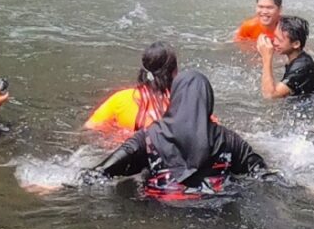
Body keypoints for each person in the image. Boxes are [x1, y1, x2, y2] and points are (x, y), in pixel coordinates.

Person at [95, 73, 269, 199]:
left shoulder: (148, 137)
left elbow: (100, 173)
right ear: (208, 100)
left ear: (175, 98)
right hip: (216, 209)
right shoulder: (228, 139)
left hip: (161, 215)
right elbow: (261, 172)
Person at [85, 43, 177, 136]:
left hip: (124, 147)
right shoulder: (180, 101)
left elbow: (90, 128)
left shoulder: (121, 99)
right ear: (174, 73)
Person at [260, 16, 314, 102]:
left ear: (296, 44)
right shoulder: (297, 58)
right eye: (274, 37)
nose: (274, 42)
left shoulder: (302, 66)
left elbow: (269, 95)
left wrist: (266, 58)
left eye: (279, 40)